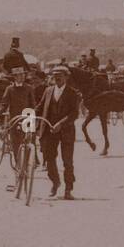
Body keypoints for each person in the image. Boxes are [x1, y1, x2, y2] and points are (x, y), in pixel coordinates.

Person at [38, 62, 81, 199]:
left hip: (66, 131)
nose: (57, 78)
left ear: (66, 77)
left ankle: (68, 189)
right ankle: (55, 182)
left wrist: (60, 124)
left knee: (67, 161)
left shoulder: (73, 93)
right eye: (55, 75)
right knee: (49, 158)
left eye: (60, 76)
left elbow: (74, 114)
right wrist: (29, 114)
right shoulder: (48, 91)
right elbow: (40, 107)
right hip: (49, 131)